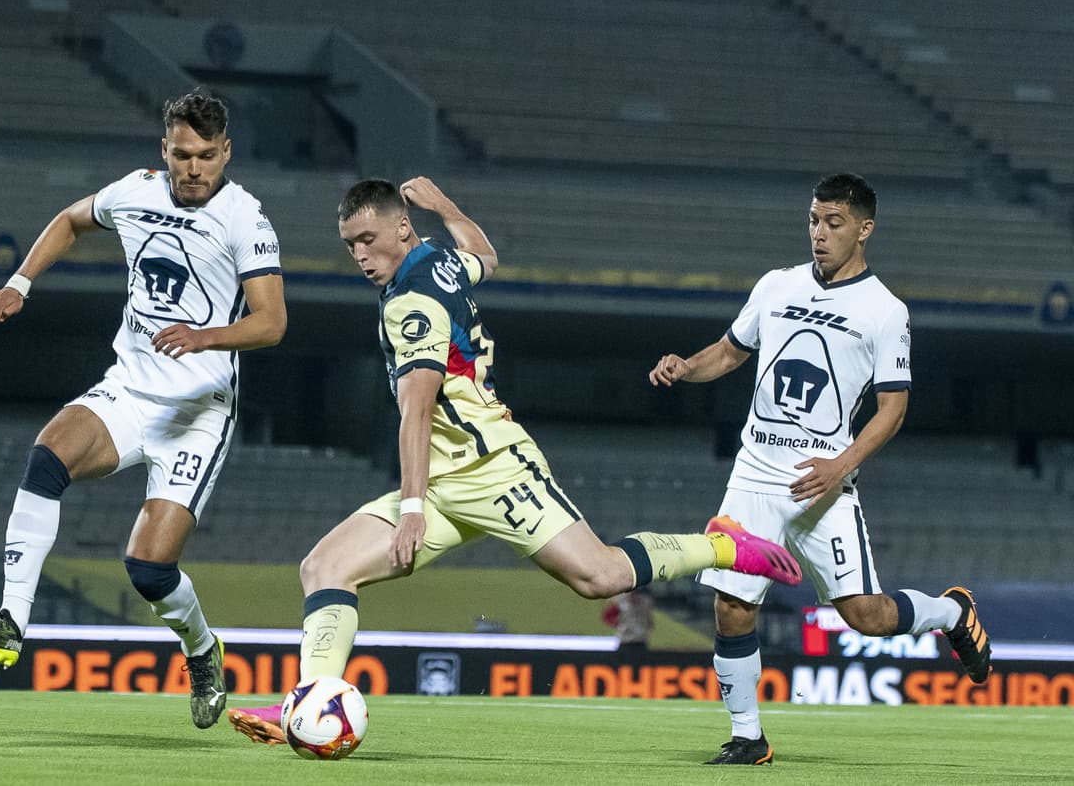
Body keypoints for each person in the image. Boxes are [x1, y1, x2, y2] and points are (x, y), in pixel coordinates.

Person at [226, 177, 802, 745]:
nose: (360, 255)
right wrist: (447, 206)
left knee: (598, 576)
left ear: (401, 227)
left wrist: (409, 509)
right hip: (443, 477)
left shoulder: (412, 303)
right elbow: (485, 255)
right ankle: (309, 701)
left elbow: (417, 410)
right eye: (350, 244)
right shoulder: (439, 261)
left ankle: (726, 544)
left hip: (494, 468)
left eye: (369, 238)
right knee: (324, 568)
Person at [0, 90, 286, 729]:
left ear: (226, 153)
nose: (193, 169)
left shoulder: (246, 219)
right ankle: (11, 621)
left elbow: (272, 323)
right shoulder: (135, 190)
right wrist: (20, 283)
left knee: (148, 569)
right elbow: (72, 219)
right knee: (47, 455)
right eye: (183, 155)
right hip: (129, 390)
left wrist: (204, 336)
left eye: (207, 157)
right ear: (165, 150)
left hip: (197, 410)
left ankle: (203, 649)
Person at [648, 173, 991, 766]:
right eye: (813, 220)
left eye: (834, 223)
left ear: (865, 229)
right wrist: (686, 366)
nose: (819, 234)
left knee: (867, 617)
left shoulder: (885, 311)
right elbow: (730, 351)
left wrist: (841, 466)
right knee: (732, 605)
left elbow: (894, 409)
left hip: (822, 483)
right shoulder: (776, 285)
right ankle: (748, 737)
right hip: (755, 472)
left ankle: (951, 612)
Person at [602, 584, 655, 655]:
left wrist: (648, 624)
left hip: (640, 639)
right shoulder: (620, 603)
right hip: (626, 639)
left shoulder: (645, 603)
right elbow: (607, 616)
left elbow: (649, 618)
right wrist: (618, 624)